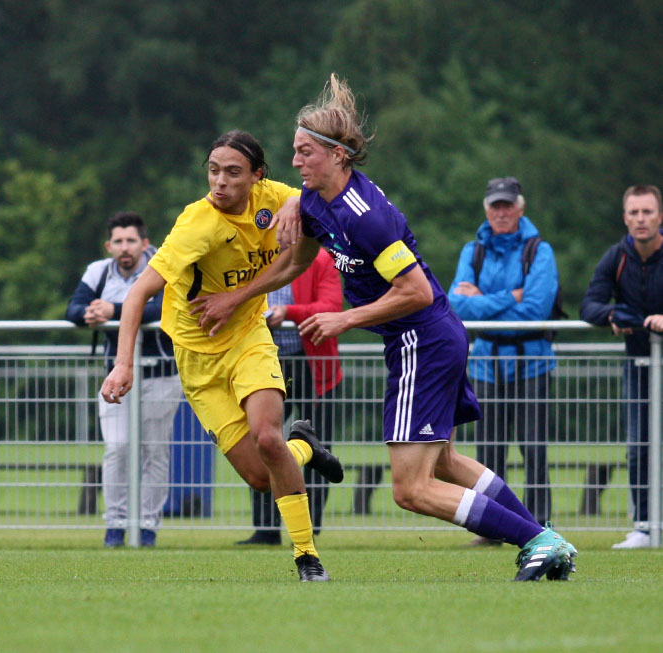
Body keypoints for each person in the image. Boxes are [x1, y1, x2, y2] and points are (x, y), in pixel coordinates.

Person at [192, 75, 577, 581]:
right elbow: (289, 267)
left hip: (424, 338)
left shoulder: (366, 215)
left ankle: (538, 540)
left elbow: (415, 290)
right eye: (294, 151)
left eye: (305, 152)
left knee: (409, 489)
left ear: (337, 156)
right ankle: (548, 541)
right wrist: (235, 297)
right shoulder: (313, 202)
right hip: (425, 339)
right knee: (443, 464)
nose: (295, 163)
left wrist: (344, 317)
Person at [100, 130, 345, 582]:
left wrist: (300, 202)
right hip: (196, 359)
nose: (220, 182)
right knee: (258, 475)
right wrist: (123, 363)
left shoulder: (276, 197)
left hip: (248, 337)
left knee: (268, 438)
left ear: (258, 176)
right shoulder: (197, 225)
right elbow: (136, 296)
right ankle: (305, 447)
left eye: (233, 172)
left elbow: (326, 188)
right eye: (213, 171)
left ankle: (306, 556)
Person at [447, 177, 557, 543]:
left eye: (508, 205)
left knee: (534, 449)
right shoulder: (472, 251)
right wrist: (511, 295)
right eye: (495, 205)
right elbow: (457, 305)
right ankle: (493, 529)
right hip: (484, 365)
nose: (501, 212)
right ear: (486, 209)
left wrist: (483, 300)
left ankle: (540, 525)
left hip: (532, 363)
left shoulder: (539, 251)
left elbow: (536, 310)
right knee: (488, 452)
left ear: (521, 208)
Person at [66, 211, 181, 548]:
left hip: (161, 374)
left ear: (145, 244)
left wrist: (112, 311)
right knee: (116, 449)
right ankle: (115, 526)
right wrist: (89, 313)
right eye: (118, 241)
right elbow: (72, 309)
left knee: (153, 452)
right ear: (109, 245)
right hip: (114, 376)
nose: (125, 248)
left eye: (131, 240)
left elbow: (163, 307)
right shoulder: (98, 272)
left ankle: (147, 527)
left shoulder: (164, 263)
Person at [237, 249, 342, 545]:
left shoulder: (319, 259)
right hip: (264, 361)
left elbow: (331, 306)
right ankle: (266, 529)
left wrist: (289, 313)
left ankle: (309, 528)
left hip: (311, 364)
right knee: (261, 440)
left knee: (317, 447)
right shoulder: (252, 257)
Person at [580, 184, 663, 549]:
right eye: (634, 213)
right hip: (640, 364)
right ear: (625, 217)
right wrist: (613, 313)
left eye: (647, 212)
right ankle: (644, 526)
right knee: (638, 446)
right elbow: (590, 305)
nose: (641, 219)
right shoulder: (616, 256)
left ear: (660, 216)